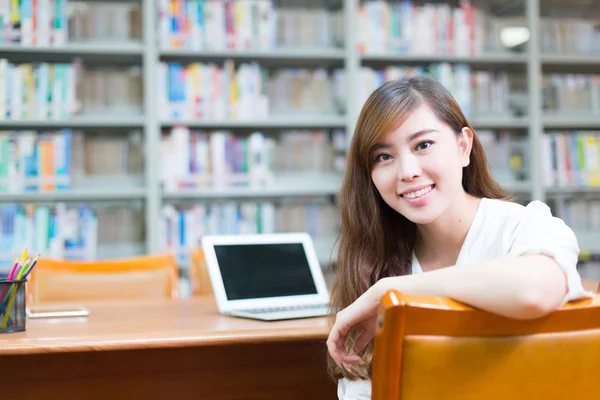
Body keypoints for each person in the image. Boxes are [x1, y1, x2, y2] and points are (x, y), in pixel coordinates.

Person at [326, 75, 593, 400]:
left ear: (463, 146)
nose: (407, 171)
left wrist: (390, 292)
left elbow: (535, 291)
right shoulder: (374, 259)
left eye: (423, 145)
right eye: (384, 156)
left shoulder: (526, 225)